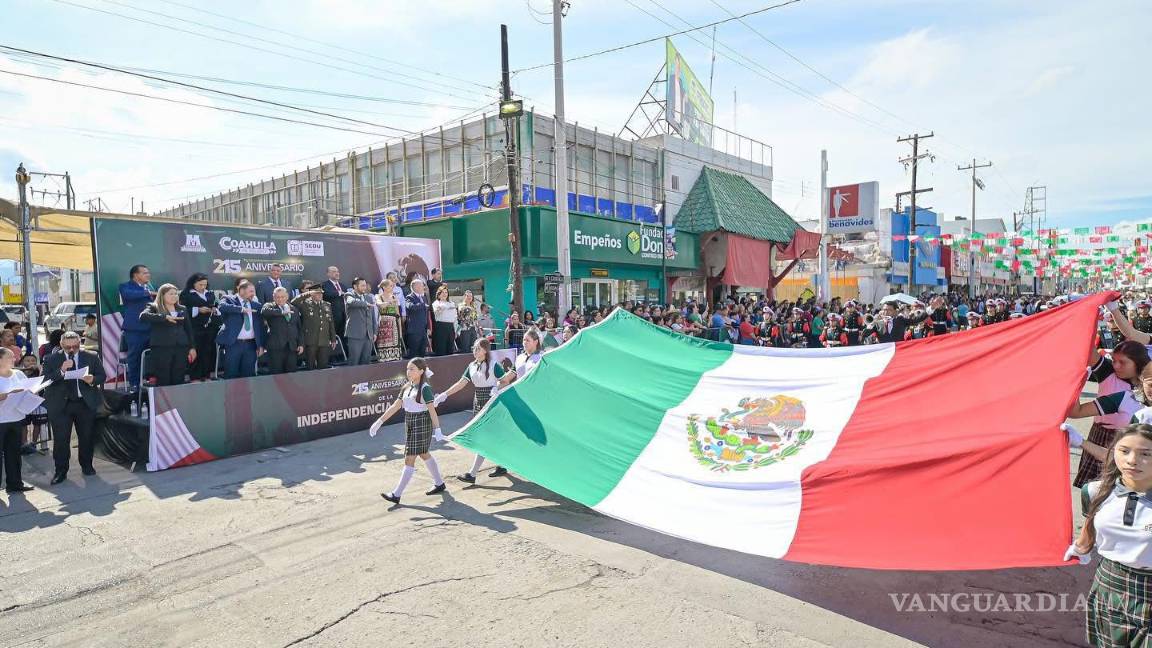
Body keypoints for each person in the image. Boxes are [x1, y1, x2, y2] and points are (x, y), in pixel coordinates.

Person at [1065, 424, 1152, 646]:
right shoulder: (1095, 491)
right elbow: (1090, 527)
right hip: (1109, 586)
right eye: (1124, 451)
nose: (1132, 460)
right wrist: (1080, 548)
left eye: (1145, 454)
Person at [1070, 340, 1151, 488]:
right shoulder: (1113, 379)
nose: (1116, 366)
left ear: (1139, 364)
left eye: (1123, 362)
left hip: (1141, 450)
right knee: (1103, 492)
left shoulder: (1144, 386)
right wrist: (1076, 383)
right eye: (1114, 360)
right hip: (1104, 439)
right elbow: (1087, 348)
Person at [437, 338, 515, 484]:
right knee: (489, 435)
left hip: (492, 401)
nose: (475, 350)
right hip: (478, 400)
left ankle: (472, 474)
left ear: (485, 350)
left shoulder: (493, 364)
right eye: (474, 348)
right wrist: (444, 395)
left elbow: (505, 380)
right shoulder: (472, 365)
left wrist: (496, 387)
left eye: (478, 348)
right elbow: (461, 383)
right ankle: (503, 464)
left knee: (484, 437)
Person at [371, 357, 446, 505]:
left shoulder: (425, 389)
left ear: (421, 371)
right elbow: (395, 406)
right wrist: (379, 421)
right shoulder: (406, 387)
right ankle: (439, 483)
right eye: (407, 369)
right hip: (410, 422)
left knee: (409, 458)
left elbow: (432, 411)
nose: (408, 372)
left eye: (412, 369)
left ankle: (396, 494)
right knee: (424, 453)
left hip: (422, 423)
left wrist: (438, 429)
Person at [43, 331, 106, 484]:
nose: (72, 350)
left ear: (80, 344)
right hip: (61, 405)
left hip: (84, 403)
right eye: (68, 347)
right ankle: (61, 471)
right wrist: (61, 371)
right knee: (61, 440)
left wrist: (92, 380)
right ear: (61, 345)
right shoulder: (51, 359)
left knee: (86, 436)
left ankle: (87, 465)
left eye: (75, 346)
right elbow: (45, 381)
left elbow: (102, 376)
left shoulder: (91, 356)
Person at [139, 283, 196, 387]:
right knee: (163, 377)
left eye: (176, 294)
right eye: (171, 294)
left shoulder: (182, 309)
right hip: (162, 347)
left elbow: (188, 330)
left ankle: (177, 401)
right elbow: (143, 316)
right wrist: (165, 317)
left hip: (181, 347)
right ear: (162, 295)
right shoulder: (153, 307)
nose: (174, 296)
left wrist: (192, 347)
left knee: (179, 377)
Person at [0, 348, 35, 494]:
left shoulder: (19, 374)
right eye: (10, 357)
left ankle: (15, 483)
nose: (14, 359)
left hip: (16, 419)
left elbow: (29, 389)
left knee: (13, 454)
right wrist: (7, 395)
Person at [216, 280, 264, 379]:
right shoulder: (228, 299)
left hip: (251, 346)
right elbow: (222, 307)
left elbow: (260, 327)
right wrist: (241, 309)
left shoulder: (256, 305)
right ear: (241, 290)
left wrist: (260, 345)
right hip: (234, 344)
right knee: (231, 374)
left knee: (248, 375)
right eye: (251, 291)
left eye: (253, 291)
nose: (253, 294)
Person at [119, 264, 155, 389]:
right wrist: (148, 292)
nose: (148, 275)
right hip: (135, 329)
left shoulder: (150, 286)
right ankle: (134, 384)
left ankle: (150, 379)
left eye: (148, 273)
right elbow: (130, 295)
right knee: (134, 357)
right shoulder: (125, 287)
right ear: (136, 275)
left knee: (154, 355)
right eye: (145, 273)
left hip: (151, 328)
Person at [180, 273, 220, 382]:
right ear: (193, 283)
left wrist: (214, 310)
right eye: (200, 285)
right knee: (195, 351)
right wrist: (197, 310)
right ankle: (194, 376)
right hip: (194, 328)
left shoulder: (210, 293)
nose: (203, 287)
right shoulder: (186, 294)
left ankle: (206, 374)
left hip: (209, 327)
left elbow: (216, 305)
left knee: (208, 351)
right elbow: (182, 309)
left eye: (205, 285)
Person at [293, 282, 338, 370]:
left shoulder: (327, 304)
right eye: (317, 293)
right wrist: (307, 294)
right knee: (310, 366)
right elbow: (293, 302)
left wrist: (333, 338)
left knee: (323, 365)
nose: (320, 295)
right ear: (312, 294)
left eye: (321, 293)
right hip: (311, 340)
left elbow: (330, 322)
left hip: (324, 340)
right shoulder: (305, 304)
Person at [261, 287, 301, 374]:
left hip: (291, 347)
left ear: (287, 296)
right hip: (276, 348)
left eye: (282, 296)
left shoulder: (294, 309)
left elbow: (298, 327)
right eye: (277, 297)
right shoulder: (269, 306)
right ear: (274, 298)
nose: (280, 299)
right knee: (276, 375)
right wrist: (281, 312)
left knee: (291, 374)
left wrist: (301, 344)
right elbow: (264, 311)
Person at [344, 277, 378, 366]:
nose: (365, 288)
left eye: (365, 285)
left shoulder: (369, 297)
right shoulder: (349, 295)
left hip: (368, 335)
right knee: (354, 361)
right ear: (355, 286)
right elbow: (351, 302)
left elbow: (373, 316)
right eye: (362, 285)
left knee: (366, 362)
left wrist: (374, 332)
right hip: (355, 335)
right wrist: (365, 304)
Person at [375, 279, 404, 361]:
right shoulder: (378, 296)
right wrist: (390, 302)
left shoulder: (394, 297)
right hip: (383, 323)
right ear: (384, 287)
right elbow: (380, 305)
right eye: (390, 285)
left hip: (394, 323)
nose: (392, 287)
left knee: (395, 346)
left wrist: (400, 331)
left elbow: (397, 314)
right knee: (383, 345)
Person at [321, 266, 348, 352]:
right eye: (333, 272)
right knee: (333, 338)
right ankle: (333, 356)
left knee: (344, 337)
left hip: (344, 317)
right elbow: (328, 295)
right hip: (332, 317)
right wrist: (339, 293)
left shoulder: (343, 286)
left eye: (337, 271)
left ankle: (344, 355)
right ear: (328, 274)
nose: (337, 273)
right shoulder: (324, 285)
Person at [403, 279, 432, 359]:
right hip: (414, 330)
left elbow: (426, 314)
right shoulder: (409, 297)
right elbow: (411, 306)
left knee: (422, 352)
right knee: (414, 353)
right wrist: (422, 305)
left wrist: (428, 327)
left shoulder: (423, 298)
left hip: (423, 330)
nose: (423, 287)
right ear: (415, 287)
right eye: (422, 285)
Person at [431, 285, 458, 356]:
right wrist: (442, 308)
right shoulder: (436, 303)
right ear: (439, 294)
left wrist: (455, 330)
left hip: (450, 327)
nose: (444, 294)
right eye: (442, 292)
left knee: (450, 349)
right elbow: (437, 313)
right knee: (441, 349)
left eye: (446, 292)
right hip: (441, 327)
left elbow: (455, 317)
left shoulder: (451, 303)